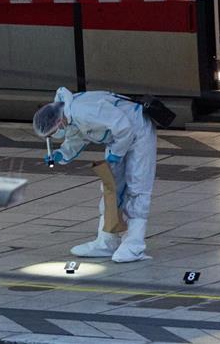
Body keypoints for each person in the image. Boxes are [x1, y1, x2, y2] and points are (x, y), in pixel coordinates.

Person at [33, 87, 157, 263]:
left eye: (53, 133)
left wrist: (117, 153)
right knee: (111, 188)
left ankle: (134, 245)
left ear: (59, 123)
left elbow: (123, 127)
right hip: (117, 138)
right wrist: (62, 154)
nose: (57, 134)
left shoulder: (83, 110)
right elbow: (77, 136)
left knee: (138, 187)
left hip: (138, 132)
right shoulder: (70, 114)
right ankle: (107, 241)